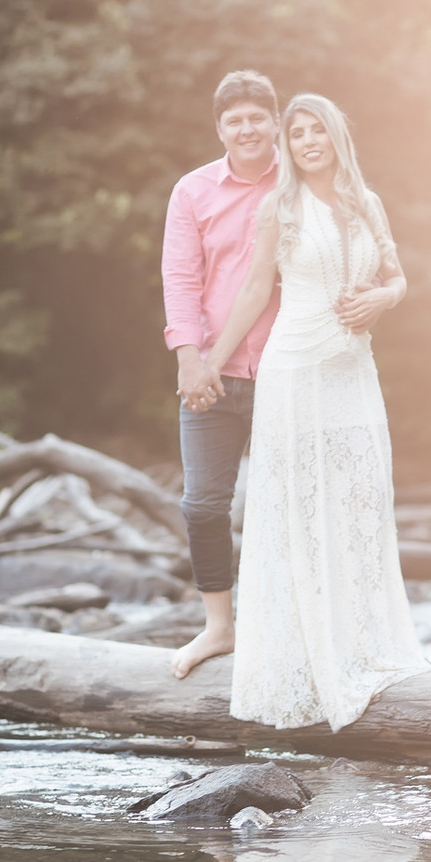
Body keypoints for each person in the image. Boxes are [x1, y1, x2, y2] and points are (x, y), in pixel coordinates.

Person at [199, 93, 430, 730]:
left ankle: (362, 644)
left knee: (359, 501)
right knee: (297, 509)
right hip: (295, 373)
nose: (306, 141)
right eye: (296, 132)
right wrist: (212, 361)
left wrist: (382, 298)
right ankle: (299, 658)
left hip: (354, 373)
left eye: (315, 130)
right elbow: (253, 289)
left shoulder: (366, 202)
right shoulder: (280, 207)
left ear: (335, 135)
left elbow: (398, 277)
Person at [162, 69, 281, 678]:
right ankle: (219, 629)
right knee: (204, 506)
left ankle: (282, 631)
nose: (247, 128)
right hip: (210, 374)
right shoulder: (193, 191)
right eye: (235, 120)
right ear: (220, 129)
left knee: (283, 508)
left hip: (287, 372)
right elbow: (180, 279)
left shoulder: (300, 184)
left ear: (274, 121)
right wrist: (188, 358)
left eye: (257, 116)